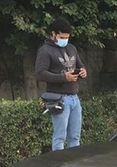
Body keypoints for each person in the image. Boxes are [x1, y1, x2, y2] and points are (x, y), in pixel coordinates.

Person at [35, 18, 87, 150]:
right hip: (58, 99)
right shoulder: (45, 50)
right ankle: (58, 162)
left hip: (74, 97)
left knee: (75, 137)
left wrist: (83, 71)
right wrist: (63, 77)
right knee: (60, 137)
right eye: (62, 37)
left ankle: (74, 161)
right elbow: (40, 74)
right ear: (53, 34)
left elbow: (80, 65)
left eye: (67, 37)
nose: (65, 40)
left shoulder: (71, 48)